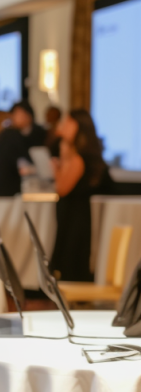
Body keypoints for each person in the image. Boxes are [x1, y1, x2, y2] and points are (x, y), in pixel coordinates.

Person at [50, 109, 113, 282]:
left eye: (68, 122)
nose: (64, 127)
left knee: (72, 265)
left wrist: (57, 167)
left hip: (76, 221)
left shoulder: (78, 158)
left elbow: (61, 188)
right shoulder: (79, 156)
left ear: (78, 127)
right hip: (74, 218)